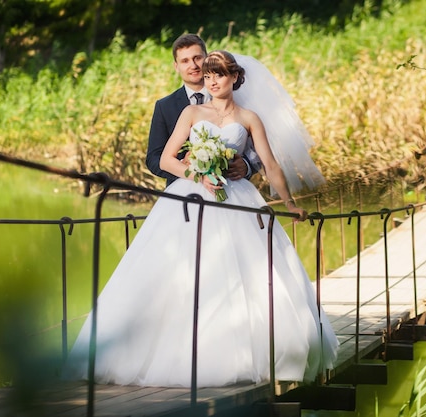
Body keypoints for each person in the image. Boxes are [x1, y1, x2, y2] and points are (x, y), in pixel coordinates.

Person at [63, 50, 338, 387]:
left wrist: (290, 202)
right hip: (191, 200)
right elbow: (166, 159)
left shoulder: (250, 118)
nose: (211, 81)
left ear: (234, 77)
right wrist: (197, 173)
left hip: (237, 199)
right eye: (207, 76)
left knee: (249, 273)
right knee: (180, 274)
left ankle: (249, 353)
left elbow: (270, 164)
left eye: (218, 75)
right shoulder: (192, 112)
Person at [146, 33, 259, 186]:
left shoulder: (236, 99)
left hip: (231, 186)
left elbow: (259, 148)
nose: (193, 65)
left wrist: (246, 166)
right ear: (176, 66)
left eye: (197, 58)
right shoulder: (165, 106)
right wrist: (188, 166)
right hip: (183, 191)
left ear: (207, 58)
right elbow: (153, 158)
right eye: (185, 61)